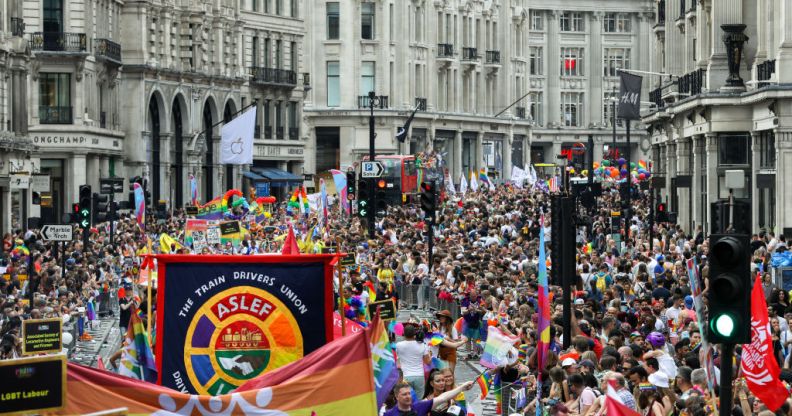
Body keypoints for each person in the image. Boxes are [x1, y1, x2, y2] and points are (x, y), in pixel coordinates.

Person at [383, 381, 474, 416]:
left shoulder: (419, 407)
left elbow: (442, 398)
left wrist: (462, 388)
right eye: (404, 394)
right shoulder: (389, 414)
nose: (408, 396)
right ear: (397, 396)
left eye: (409, 393)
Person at [395, 324, 431, 399]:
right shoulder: (422, 345)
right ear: (414, 333)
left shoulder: (398, 345)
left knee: (407, 398)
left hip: (406, 376)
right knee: (419, 400)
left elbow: (397, 358)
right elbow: (428, 362)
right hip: (419, 376)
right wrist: (430, 354)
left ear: (404, 333)